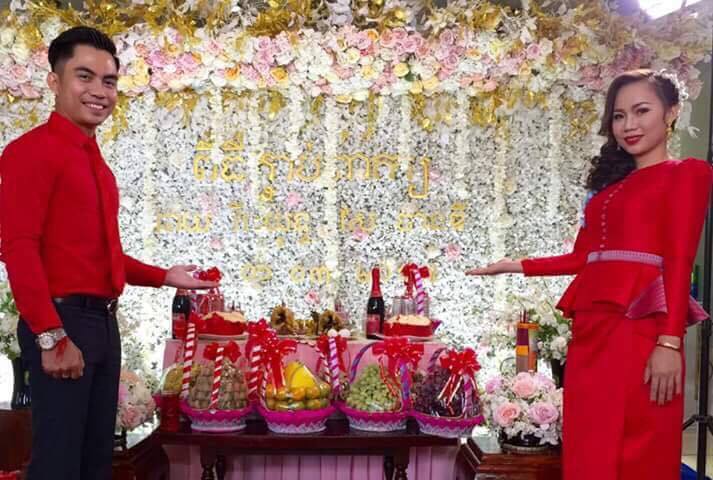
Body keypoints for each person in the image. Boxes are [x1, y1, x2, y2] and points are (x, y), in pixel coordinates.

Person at [466, 69, 712, 480]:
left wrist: (670, 342)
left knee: (638, 443)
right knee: (588, 439)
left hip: (640, 327)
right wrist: (518, 265)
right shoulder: (608, 189)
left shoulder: (687, 172)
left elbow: (680, 258)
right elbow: (584, 257)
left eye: (641, 111)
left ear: (671, 112)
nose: (629, 125)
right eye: (619, 116)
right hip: (592, 329)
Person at [0, 26, 218, 479]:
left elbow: (98, 254)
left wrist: (165, 276)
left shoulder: (96, 163)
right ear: (54, 81)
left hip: (102, 322)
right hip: (63, 322)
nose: (99, 91)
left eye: (109, 81)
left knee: (95, 463)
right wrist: (51, 336)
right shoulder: (30, 152)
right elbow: (18, 248)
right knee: (59, 466)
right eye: (84, 76)